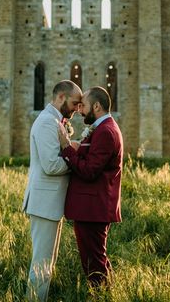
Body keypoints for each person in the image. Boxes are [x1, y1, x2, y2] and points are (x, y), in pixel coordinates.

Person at [57, 86, 123, 289]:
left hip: (93, 208)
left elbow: (89, 171)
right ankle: (108, 292)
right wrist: (79, 146)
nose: (80, 110)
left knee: (93, 261)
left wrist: (67, 149)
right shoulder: (103, 128)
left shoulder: (106, 132)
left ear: (96, 106)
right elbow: (93, 159)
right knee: (96, 257)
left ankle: (102, 294)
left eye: (83, 105)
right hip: (91, 207)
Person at [23, 80, 83, 301]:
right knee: (41, 267)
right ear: (61, 98)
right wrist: (75, 157)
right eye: (75, 103)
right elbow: (51, 165)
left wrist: (71, 147)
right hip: (44, 204)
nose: (78, 108)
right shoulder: (48, 122)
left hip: (50, 204)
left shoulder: (56, 121)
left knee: (47, 266)